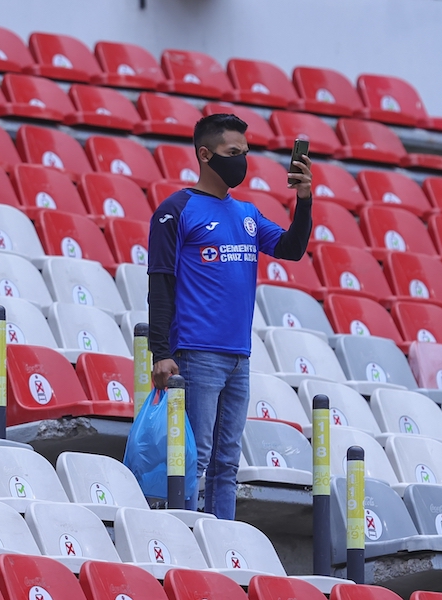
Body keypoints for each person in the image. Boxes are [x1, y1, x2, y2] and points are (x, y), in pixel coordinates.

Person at [147, 113, 312, 519]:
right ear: (205, 155)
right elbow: (160, 283)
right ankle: (184, 536)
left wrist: (304, 199)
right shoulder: (175, 211)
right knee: (195, 458)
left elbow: (291, 248)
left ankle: (221, 540)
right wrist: (160, 352)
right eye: (232, 153)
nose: (241, 161)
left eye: (245, 152)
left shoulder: (249, 215)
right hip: (196, 354)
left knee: (226, 463)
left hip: (239, 356)